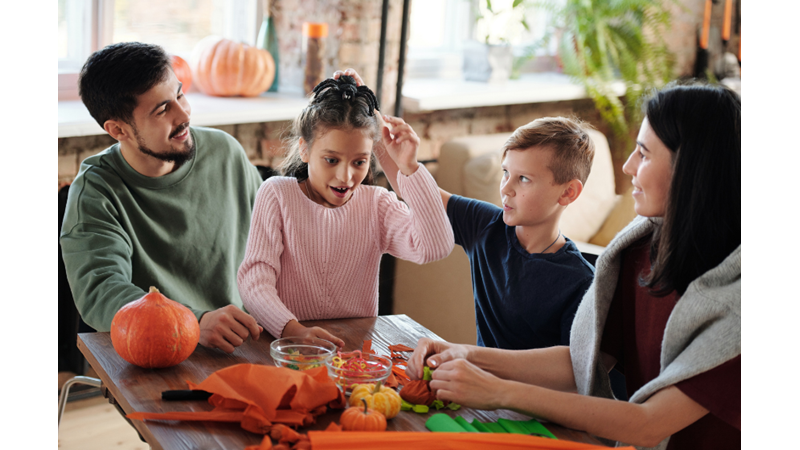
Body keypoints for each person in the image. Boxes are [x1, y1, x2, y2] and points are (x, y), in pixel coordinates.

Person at [407, 82, 741, 449]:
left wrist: (497, 391)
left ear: (691, 169)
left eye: (643, 154)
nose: (628, 167)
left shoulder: (740, 307)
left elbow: (648, 424)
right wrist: (466, 353)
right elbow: (581, 358)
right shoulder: (641, 251)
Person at [360, 66, 594, 349]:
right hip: (474, 380)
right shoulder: (487, 226)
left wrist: (468, 359)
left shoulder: (579, 282)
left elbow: (572, 371)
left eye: (524, 179)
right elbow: (420, 195)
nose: (506, 188)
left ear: (568, 192)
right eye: (506, 172)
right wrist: (365, 105)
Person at [60, 42, 264, 354]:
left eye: (179, 95)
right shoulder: (97, 192)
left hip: (245, 343)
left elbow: (278, 239)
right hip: (158, 354)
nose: (184, 114)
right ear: (119, 130)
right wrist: (194, 323)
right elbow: (103, 294)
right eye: (162, 109)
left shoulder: (226, 152)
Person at [236, 75, 454, 345]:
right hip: (286, 345)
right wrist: (292, 330)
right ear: (305, 149)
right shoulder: (277, 194)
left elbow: (435, 247)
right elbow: (254, 280)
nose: (346, 176)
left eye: (359, 162)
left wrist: (410, 168)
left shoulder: (377, 205)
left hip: (353, 352)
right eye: (331, 159)